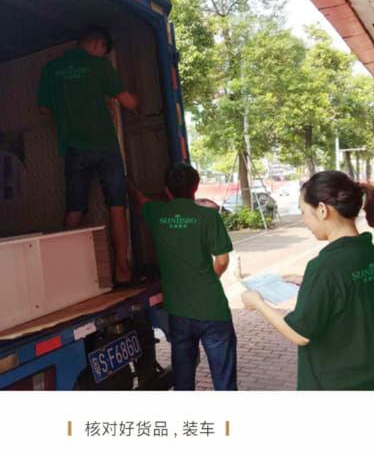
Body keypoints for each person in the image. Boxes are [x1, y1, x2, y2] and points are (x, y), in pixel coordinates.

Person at [242, 170, 374, 390]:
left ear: (322, 210)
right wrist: (310, 283)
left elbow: (300, 333)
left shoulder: (325, 266)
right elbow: (353, 293)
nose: (304, 221)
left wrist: (258, 303)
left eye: (303, 212)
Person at [37, 27, 138, 285]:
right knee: (116, 206)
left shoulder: (51, 69)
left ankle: (66, 274)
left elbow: (44, 109)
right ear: (97, 44)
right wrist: (135, 100)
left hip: (74, 147)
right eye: (104, 50)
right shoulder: (99, 65)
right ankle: (122, 270)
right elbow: (128, 102)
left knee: (74, 209)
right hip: (106, 146)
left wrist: (69, 107)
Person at [129, 162, 237, 390]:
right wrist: (209, 280)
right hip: (213, 310)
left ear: (167, 190)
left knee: (183, 380)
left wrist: (127, 183)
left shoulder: (158, 213)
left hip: (179, 313)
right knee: (224, 381)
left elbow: (140, 200)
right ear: (195, 188)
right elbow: (222, 260)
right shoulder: (208, 216)